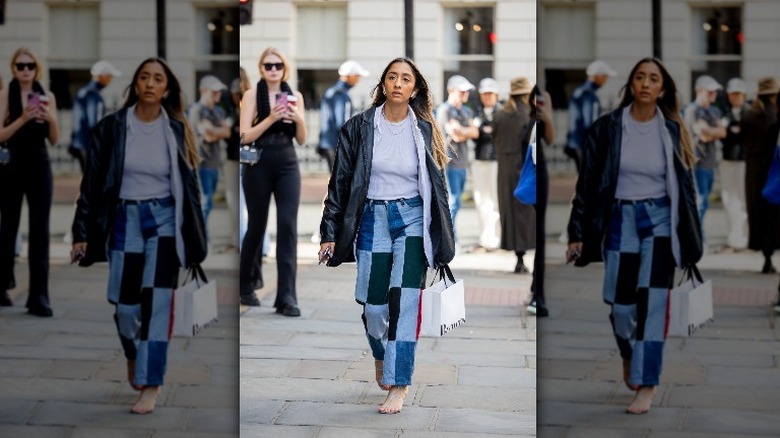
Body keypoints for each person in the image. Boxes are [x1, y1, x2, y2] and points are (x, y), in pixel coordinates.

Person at [70, 57, 207, 414]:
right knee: (126, 306)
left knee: (157, 305)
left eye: (157, 78)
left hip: (163, 221)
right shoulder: (112, 127)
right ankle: (134, 354)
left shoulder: (176, 128)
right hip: (124, 220)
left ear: (167, 88)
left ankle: (151, 383)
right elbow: (92, 184)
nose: (150, 83)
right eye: (144, 77)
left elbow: (191, 190)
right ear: (136, 85)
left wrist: (195, 240)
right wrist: (80, 232)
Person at [318, 57, 454, 414]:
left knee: (404, 302)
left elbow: (439, 189)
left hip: (412, 219)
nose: (398, 82)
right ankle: (381, 355)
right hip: (373, 219)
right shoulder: (359, 127)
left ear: (415, 89)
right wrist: (328, 231)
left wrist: (442, 238)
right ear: (383, 84)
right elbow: (341, 183)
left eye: (405, 78)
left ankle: (399, 382)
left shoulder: (425, 128)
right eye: (392, 76)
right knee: (374, 306)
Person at [566, 57, 702, 414]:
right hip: (620, 220)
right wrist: (576, 232)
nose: (646, 83)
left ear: (663, 89)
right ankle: (629, 353)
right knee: (622, 306)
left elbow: (686, 190)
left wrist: (691, 240)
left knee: (653, 304)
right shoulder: (608, 127)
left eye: (653, 78)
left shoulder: (673, 128)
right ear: (631, 85)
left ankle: (647, 383)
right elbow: (588, 184)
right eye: (640, 77)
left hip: (659, 221)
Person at [239, 47, 307, 314]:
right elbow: (244, 136)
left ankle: (287, 297)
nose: (273, 70)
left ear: (284, 68)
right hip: (259, 162)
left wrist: (297, 117)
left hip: (287, 161)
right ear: (261, 69)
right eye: (268, 66)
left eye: (277, 65)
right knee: (256, 226)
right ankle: (245, 286)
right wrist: (271, 118)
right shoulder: (252, 95)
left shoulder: (295, 96)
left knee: (288, 227)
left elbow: (302, 139)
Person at [0, 47, 60, 316]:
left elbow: (55, 139)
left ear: (37, 69)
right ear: (13, 69)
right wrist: (23, 117)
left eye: (30, 66)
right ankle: (1, 286)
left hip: (39, 164)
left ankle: (39, 296)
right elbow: (0, 135)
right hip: (12, 165)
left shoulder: (47, 96)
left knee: (40, 232)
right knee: (7, 227)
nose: (26, 70)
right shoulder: (5, 95)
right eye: (20, 66)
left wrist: (50, 119)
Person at [493, 77, 535, 274]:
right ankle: (522, 256)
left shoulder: (500, 114)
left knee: (508, 210)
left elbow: (494, 139)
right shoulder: (528, 114)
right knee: (524, 212)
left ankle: (517, 257)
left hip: (504, 168)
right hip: (523, 166)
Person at [743, 77, 780, 274]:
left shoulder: (749, 115)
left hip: (753, 173)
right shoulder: (775, 117)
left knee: (758, 215)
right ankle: (770, 255)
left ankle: (766, 257)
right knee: (773, 218)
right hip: (772, 172)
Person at [436, 75, 478, 244]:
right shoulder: (444, 110)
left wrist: (464, 131)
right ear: (451, 91)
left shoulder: (466, 110)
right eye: (462, 91)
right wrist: (465, 131)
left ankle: (450, 233)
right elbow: (456, 135)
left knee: (458, 200)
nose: (465, 94)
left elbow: (474, 133)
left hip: (462, 161)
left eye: (466, 91)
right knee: (453, 200)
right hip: (449, 161)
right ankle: (449, 235)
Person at [187, 75, 231, 232]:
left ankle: (201, 233)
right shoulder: (196, 110)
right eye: (214, 92)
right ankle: (200, 234)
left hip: (214, 161)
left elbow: (226, 132)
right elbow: (207, 134)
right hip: (201, 161)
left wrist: (216, 131)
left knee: (209, 201)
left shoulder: (219, 111)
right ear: (203, 91)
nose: (217, 95)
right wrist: (217, 131)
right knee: (206, 202)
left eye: (219, 92)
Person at [683, 75, 726, 223]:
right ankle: (697, 239)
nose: (714, 94)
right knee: (700, 202)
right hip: (698, 162)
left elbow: (722, 133)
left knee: (705, 202)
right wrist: (713, 131)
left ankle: (699, 236)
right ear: (699, 91)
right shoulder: (691, 110)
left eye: (714, 92)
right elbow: (703, 136)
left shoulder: (715, 111)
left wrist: (710, 130)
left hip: (711, 162)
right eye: (710, 92)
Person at [527, 85, 555, 317]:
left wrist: (546, 118)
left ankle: (539, 294)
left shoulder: (545, 98)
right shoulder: (525, 107)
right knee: (530, 235)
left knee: (541, 237)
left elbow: (551, 138)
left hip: (540, 173)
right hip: (525, 174)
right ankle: (534, 289)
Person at [318, 60, 369, 172]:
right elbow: (343, 123)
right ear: (350, 76)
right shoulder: (342, 96)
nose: (358, 80)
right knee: (341, 184)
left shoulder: (331, 91)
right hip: (336, 144)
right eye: (357, 76)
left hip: (328, 142)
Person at [70, 60, 121, 172]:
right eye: (109, 76)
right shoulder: (94, 95)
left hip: (80, 142)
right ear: (102, 76)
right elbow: (95, 123)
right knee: (93, 181)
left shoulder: (83, 92)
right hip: (89, 144)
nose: (110, 80)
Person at [566, 60, 617, 173]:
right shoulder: (589, 95)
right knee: (588, 180)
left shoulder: (579, 92)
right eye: (605, 76)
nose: (606, 80)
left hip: (576, 142)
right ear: (597, 76)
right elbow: (590, 123)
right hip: (584, 143)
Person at [471, 77, 502, 251]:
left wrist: (481, 131)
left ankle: (496, 238)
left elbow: (493, 133)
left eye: (490, 94)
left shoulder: (500, 112)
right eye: (484, 94)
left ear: (496, 94)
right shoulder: (478, 111)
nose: (487, 97)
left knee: (495, 200)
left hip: (495, 160)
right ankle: (485, 238)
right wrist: (483, 130)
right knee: (481, 200)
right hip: (479, 159)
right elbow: (476, 132)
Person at [719, 78, 749, 251]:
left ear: (743, 95)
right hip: (727, 160)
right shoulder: (724, 112)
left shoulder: (749, 112)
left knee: (743, 200)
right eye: (732, 94)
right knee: (729, 201)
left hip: (744, 162)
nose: (735, 97)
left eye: (738, 93)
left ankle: (744, 239)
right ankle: (733, 239)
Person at [223, 77, 242, 252]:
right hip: (232, 159)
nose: (237, 97)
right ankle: (236, 240)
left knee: (240, 204)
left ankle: (239, 241)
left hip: (243, 161)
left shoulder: (247, 110)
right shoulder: (232, 110)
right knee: (233, 202)